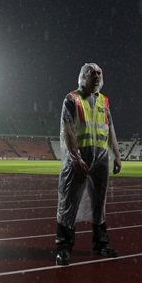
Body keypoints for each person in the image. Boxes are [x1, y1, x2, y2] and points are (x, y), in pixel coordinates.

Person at [55, 63, 122, 266]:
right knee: (69, 203)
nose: (97, 77)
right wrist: (75, 158)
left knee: (99, 203)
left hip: (101, 158)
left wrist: (117, 155)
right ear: (84, 76)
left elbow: (110, 128)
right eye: (93, 73)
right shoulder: (72, 99)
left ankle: (100, 244)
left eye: (99, 73)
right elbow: (67, 129)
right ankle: (63, 248)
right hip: (79, 157)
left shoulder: (104, 101)